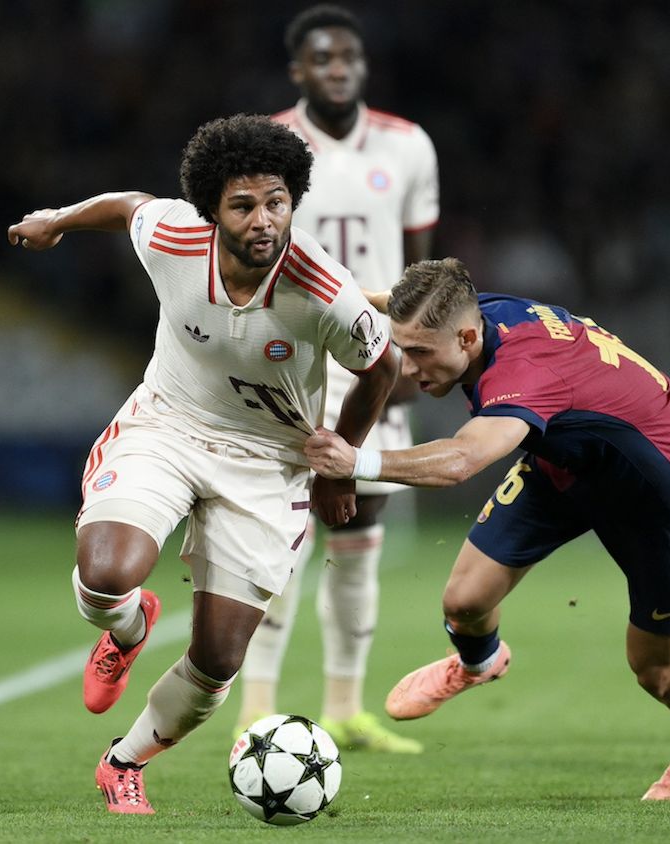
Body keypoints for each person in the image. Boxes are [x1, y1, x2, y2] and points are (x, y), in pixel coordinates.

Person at [6, 113, 398, 815]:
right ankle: (128, 630)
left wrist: (340, 464)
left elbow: (382, 366)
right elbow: (129, 206)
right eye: (244, 204)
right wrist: (59, 219)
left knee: (219, 658)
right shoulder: (174, 236)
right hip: (170, 426)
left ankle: (123, 762)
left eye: (277, 201)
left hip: (268, 466)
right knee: (104, 576)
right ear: (211, 209)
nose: (264, 219)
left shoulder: (323, 287)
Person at [305, 257, 670, 801]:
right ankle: (479, 662)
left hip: (663, 493)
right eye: (402, 348)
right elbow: (400, 307)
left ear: (466, 337)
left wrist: (355, 463)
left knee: (658, 673)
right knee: (464, 600)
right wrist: (317, 289)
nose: (407, 368)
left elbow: (461, 460)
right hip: (569, 462)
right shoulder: (479, 315)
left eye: (417, 353)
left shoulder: (525, 374)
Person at [234, 4, 439, 754]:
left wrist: (414, 349)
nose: (338, 68)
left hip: (373, 359)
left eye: (348, 56)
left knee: (360, 532)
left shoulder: (409, 146)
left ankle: (345, 709)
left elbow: (423, 266)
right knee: (274, 536)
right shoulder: (271, 144)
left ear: (362, 64)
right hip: (292, 361)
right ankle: (255, 709)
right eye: (322, 58)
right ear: (299, 70)